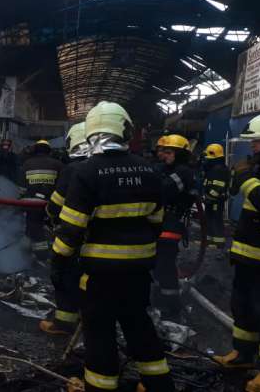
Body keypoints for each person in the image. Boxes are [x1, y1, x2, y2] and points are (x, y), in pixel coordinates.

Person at [53, 101, 174, 392]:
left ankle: (100, 386)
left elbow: (71, 228)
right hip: (139, 271)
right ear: (125, 130)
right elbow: (156, 221)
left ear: (91, 131)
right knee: (139, 324)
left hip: (100, 273)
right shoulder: (149, 170)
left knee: (99, 332)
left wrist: (58, 261)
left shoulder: (86, 172)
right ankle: (158, 384)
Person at [213, 112, 260, 392]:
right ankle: (243, 355)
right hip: (248, 256)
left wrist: (246, 177)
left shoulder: (256, 177)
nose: (253, 146)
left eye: (258, 142)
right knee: (242, 307)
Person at [40, 122, 89, 335]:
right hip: (110, 240)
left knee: (63, 274)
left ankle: (65, 322)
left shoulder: (74, 169)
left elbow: (55, 204)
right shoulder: (109, 165)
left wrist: (50, 216)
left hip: (74, 236)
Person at [153, 134, 195, 320]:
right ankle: (158, 301)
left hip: (170, 224)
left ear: (180, 154)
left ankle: (171, 308)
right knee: (156, 264)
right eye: (163, 152)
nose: (164, 155)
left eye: (169, 152)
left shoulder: (184, 172)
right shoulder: (164, 168)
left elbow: (163, 189)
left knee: (165, 265)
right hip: (159, 222)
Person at [19, 139, 63, 258]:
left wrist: (21, 200)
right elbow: (62, 187)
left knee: (34, 231)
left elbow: (22, 188)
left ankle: (38, 255)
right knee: (55, 229)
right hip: (53, 205)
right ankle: (54, 253)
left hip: (31, 205)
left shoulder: (27, 164)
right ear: (49, 151)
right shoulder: (58, 164)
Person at [202, 144, 230, 249]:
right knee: (209, 219)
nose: (207, 160)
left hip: (216, 201)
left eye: (209, 158)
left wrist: (209, 197)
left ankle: (218, 243)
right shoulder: (214, 168)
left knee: (216, 220)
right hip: (211, 200)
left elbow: (218, 188)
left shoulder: (219, 169)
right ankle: (209, 241)